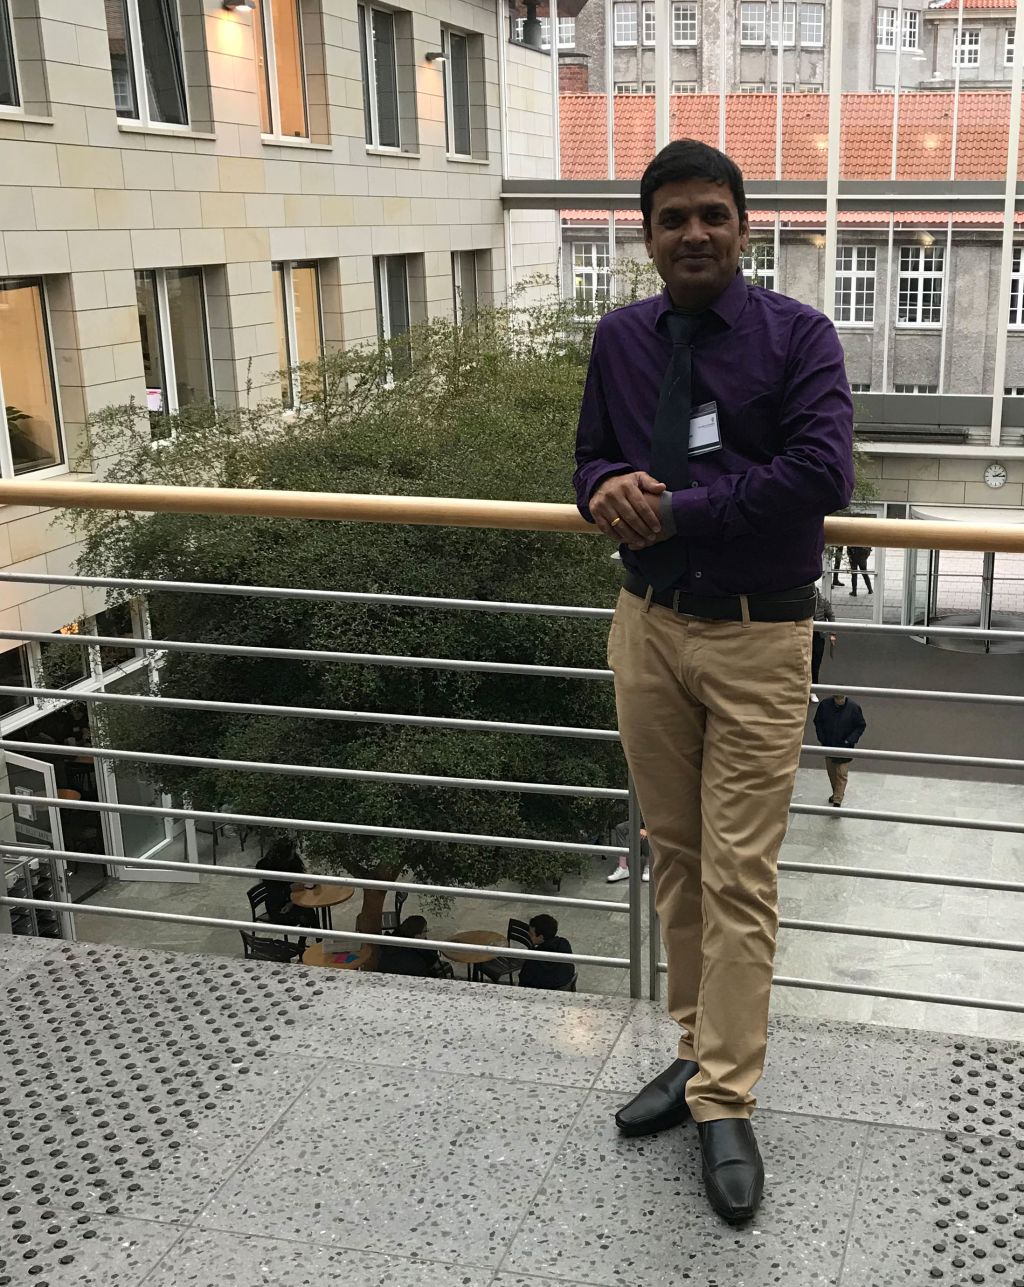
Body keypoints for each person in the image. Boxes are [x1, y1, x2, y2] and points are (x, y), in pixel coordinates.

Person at [573, 138, 853, 1222]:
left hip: (756, 638)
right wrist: (609, 488)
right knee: (679, 860)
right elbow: (589, 459)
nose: (693, 233)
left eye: (712, 215)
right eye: (672, 218)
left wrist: (675, 509)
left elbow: (820, 473)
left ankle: (726, 1096)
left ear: (743, 225)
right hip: (645, 628)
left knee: (740, 874)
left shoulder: (800, 336)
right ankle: (697, 1052)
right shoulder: (619, 339)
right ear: (646, 236)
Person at [813, 693, 867, 807]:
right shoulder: (825, 705)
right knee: (832, 773)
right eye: (837, 699)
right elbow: (818, 721)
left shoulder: (853, 708)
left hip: (844, 747)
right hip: (829, 745)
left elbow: (860, 725)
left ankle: (838, 798)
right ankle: (836, 793)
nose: (840, 701)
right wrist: (822, 738)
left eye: (841, 698)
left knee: (841, 774)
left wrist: (849, 740)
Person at [255, 840, 319, 932]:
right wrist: (289, 889)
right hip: (277, 908)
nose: (293, 855)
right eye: (291, 853)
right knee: (308, 914)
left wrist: (292, 902)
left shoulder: (292, 861)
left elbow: (298, 875)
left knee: (308, 912)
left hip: (291, 901)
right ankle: (317, 936)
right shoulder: (268, 869)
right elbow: (274, 894)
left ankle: (315, 937)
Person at [376, 915, 450, 978]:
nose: (426, 935)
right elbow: (429, 970)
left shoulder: (389, 944)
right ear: (417, 934)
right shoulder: (417, 956)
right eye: (425, 931)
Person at [517, 914, 576, 990]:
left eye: (531, 934)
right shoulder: (564, 943)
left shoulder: (534, 958)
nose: (529, 935)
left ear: (541, 937)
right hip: (565, 986)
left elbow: (523, 981)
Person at [810, 584, 837, 704]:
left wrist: (832, 633)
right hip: (805, 634)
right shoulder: (804, 602)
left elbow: (831, 615)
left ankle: (813, 690)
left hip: (818, 636)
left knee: (815, 664)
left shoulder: (823, 601)